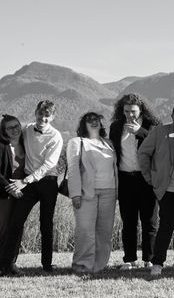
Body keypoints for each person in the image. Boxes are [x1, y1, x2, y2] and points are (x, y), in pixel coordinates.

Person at [0, 100, 63, 274]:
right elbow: (9, 139)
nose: (43, 118)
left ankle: (47, 265)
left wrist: (26, 181)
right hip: (28, 181)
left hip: (47, 181)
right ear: (35, 113)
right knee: (16, 222)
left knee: (46, 223)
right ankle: (7, 264)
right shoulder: (26, 129)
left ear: (53, 117)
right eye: (40, 114)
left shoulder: (56, 136)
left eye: (47, 115)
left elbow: (49, 163)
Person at [138, 102, 174, 276]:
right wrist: (149, 177)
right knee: (167, 225)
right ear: (171, 115)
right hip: (167, 188)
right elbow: (143, 153)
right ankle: (158, 262)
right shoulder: (160, 132)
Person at [109, 93, 160, 270]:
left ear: (141, 110)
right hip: (124, 179)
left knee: (150, 222)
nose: (130, 115)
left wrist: (140, 132)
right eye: (126, 111)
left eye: (133, 111)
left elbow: (158, 147)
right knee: (128, 222)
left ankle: (149, 259)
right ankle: (129, 259)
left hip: (146, 179)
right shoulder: (116, 127)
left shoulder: (151, 126)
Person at [67, 113, 118, 274]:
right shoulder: (77, 142)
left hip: (109, 191)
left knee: (104, 231)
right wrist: (75, 193)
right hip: (86, 192)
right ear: (83, 124)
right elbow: (73, 168)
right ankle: (81, 265)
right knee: (85, 229)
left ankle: (99, 265)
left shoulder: (108, 143)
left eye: (96, 120)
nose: (94, 122)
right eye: (89, 120)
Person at [0, 115, 25, 252]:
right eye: (10, 128)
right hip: (5, 195)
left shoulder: (26, 145)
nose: (15, 130)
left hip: (21, 194)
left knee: (16, 229)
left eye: (17, 126)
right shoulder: (2, 147)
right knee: (3, 228)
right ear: (4, 131)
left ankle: (10, 263)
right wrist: (10, 188)